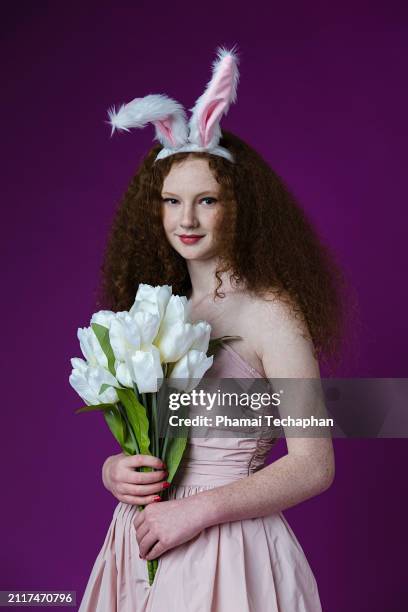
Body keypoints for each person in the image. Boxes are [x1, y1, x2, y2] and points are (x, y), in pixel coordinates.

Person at [79, 48, 349, 611]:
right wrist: (115, 470)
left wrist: (195, 511)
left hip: (226, 549)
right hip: (142, 540)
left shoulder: (271, 313)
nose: (187, 220)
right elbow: (152, 438)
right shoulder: (161, 307)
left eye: (207, 200)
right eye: (172, 201)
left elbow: (313, 463)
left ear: (239, 207)